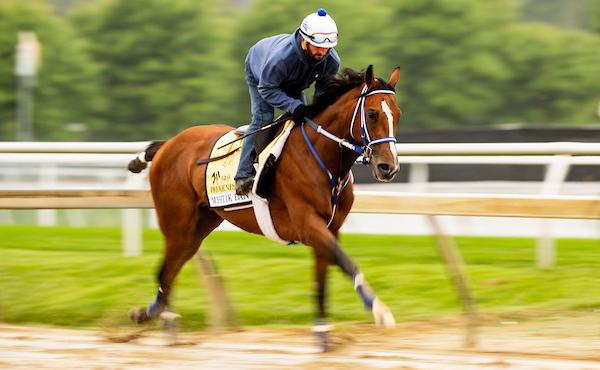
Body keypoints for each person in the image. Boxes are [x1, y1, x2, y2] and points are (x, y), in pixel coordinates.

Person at [234, 8, 341, 195]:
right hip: (263, 74)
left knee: (303, 121)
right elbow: (267, 89)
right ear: (304, 40)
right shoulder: (281, 59)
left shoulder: (331, 61)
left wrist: (316, 112)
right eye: (317, 46)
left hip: (294, 81)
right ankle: (243, 175)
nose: (322, 52)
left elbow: (322, 92)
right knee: (264, 119)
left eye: (327, 47)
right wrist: (294, 106)